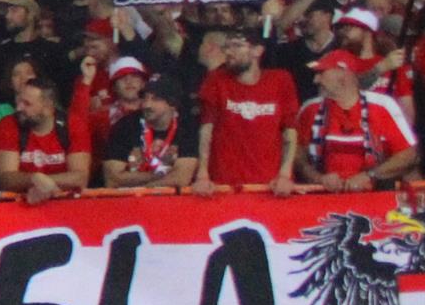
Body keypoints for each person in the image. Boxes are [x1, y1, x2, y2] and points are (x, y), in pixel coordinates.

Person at [193, 31, 300, 195]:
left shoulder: (280, 80)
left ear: (258, 50)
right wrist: (202, 174)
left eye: (237, 46)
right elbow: (206, 129)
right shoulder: (216, 80)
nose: (229, 52)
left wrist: (285, 174)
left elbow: (290, 131)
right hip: (224, 186)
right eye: (227, 47)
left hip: (270, 186)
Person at [298, 52, 418, 192]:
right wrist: (318, 177)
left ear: (343, 75)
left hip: (373, 196)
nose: (316, 80)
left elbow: (408, 154)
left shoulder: (382, 105)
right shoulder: (310, 109)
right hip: (322, 197)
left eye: (321, 73)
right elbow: (296, 154)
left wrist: (370, 175)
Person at [0, 78, 88, 204]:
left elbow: (80, 178)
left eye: (27, 104)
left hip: (64, 205)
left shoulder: (72, 125)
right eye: (19, 100)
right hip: (19, 206)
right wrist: (34, 178)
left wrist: (45, 182)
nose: (19, 108)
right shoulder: (7, 125)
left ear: (48, 108)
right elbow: (6, 179)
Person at [102, 76, 199, 192]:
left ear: (172, 103)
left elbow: (181, 178)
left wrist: (145, 189)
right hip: (130, 200)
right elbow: (113, 179)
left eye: (155, 99)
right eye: (144, 98)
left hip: (169, 201)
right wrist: (161, 174)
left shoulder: (187, 126)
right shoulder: (125, 126)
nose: (146, 105)